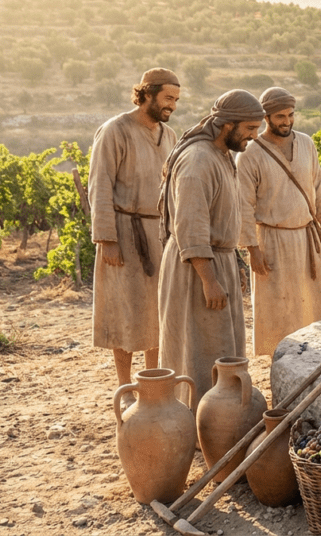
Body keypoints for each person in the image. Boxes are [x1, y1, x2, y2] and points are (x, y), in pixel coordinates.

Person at [157, 89, 265, 413]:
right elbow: (190, 225)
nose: (252, 137)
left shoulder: (221, 155)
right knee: (198, 350)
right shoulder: (198, 160)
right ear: (227, 125)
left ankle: (220, 419)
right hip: (195, 267)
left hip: (218, 262)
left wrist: (235, 266)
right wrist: (209, 278)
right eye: (248, 130)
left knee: (220, 346)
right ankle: (197, 423)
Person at [88, 68, 180, 410]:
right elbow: (100, 185)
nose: (172, 105)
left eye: (176, 100)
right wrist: (106, 238)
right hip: (124, 233)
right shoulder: (115, 130)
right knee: (125, 311)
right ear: (146, 94)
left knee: (156, 312)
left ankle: (153, 382)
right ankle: (125, 387)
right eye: (168, 98)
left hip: (159, 234)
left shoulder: (169, 135)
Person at [237, 87, 321, 357]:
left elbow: (318, 187)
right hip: (272, 242)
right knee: (279, 312)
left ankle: (317, 359)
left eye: (291, 115)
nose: (287, 121)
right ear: (266, 117)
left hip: (308, 239)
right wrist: (252, 248)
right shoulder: (250, 154)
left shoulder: (306, 143)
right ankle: (282, 364)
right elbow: (243, 206)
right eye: (280, 116)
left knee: (316, 306)